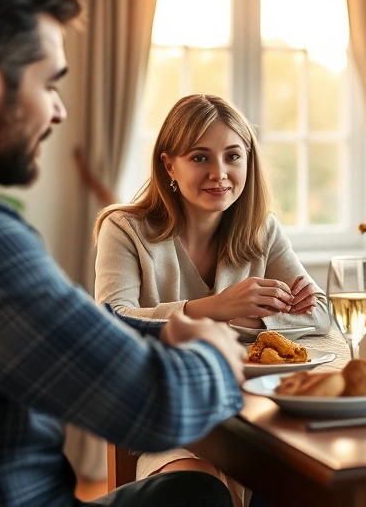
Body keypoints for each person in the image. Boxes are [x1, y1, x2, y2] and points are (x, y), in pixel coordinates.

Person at [0, 0, 246, 506]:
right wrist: (216, 351)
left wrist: (166, 333)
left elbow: (68, 332)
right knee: (201, 496)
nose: (58, 111)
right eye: (50, 84)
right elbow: (160, 407)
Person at [93, 93, 330, 490]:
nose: (220, 173)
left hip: (257, 418)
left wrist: (246, 316)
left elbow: (318, 312)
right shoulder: (124, 229)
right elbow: (114, 318)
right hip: (172, 420)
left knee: (308, 484)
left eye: (233, 156)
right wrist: (215, 308)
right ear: (169, 164)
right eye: (200, 157)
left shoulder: (262, 230)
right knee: (197, 492)